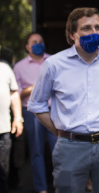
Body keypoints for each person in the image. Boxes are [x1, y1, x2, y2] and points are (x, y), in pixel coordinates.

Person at [28, 7, 99, 193]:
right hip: (70, 147)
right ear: (72, 34)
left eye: (98, 27)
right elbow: (36, 104)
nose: (94, 33)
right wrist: (59, 131)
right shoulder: (54, 64)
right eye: (86, 28)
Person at [13, 32, 56, 193]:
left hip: (54, 111)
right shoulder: (19, 66)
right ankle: (41, 189)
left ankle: (62, 185)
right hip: (31, 113)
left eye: (41, 41)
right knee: (36, 151)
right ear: (27, 47)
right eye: (34, 41)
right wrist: (35, 87)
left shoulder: (53, 61)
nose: (39, 43)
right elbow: (15, 93)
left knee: (58, 150)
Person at [0, 61, 23, 193]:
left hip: (3, 131)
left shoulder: (5, 68)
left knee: (2, 172)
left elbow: (14, 94)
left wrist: (18, 118)